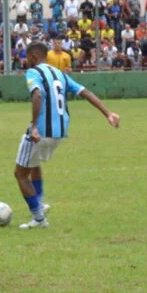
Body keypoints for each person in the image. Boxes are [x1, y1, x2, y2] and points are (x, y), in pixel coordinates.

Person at [14, 42, 120, 229]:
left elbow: (37, 95)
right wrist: (108, 113)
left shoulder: (33, 72)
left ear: (32, 57)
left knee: (20, 174)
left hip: (43, 130)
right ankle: (40, 203)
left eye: (26, 57)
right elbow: (85, 92)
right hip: (60, 132)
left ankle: (38, 218)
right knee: (34, 164)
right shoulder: (60, 74)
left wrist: (35, 126)